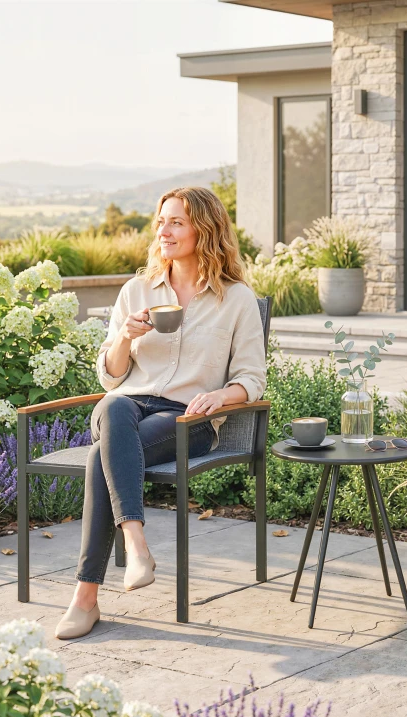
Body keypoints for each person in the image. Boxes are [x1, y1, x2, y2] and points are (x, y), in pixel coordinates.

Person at [55, 186, 267, 639]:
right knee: (113, 405)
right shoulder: (136, 291)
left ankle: (85, 597)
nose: (163, 231)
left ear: (204, 230)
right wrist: (124, 338)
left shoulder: (236, 299)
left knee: (98, 458)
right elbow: (110, 378)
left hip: (186, 417)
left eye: (176, 222)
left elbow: (253, 377)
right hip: (127, 406)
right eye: (161, 221)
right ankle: (136, 544)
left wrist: (222, 397)